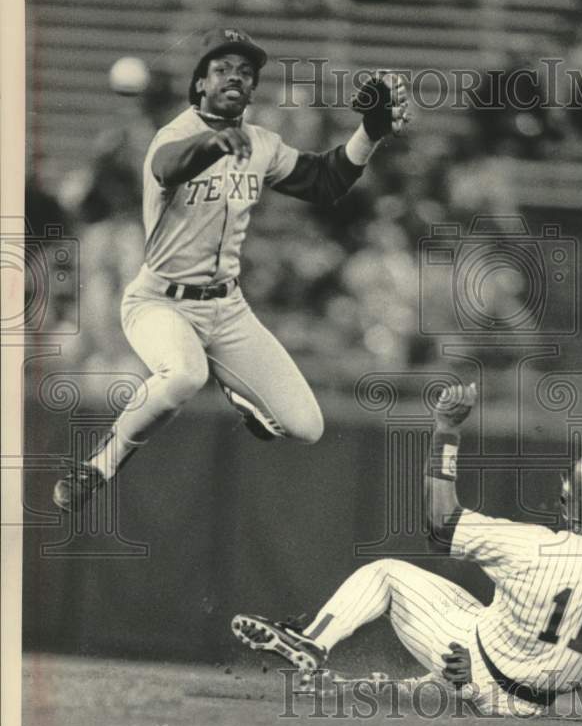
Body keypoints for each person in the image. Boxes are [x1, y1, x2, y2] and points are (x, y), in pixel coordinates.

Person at [232, 383, 582, 726]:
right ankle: (432, 688)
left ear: (570, 499)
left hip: (475, 658)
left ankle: (316, 645)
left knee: (386, 572)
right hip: (529, 704)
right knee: (410, 690)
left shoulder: (532, 545)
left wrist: (447, 430)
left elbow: (439, 524)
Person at [53, 27, 410, 511]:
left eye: (245, 71)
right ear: (199, 83)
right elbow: (166, 166)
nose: (235, 77)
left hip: (227, 307)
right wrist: (216, 143)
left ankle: (242, 398)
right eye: (222, 69)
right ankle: (99, 464)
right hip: (161, 302)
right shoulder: (175, 134)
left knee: (307, 426)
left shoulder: (259, 142)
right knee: (183, 375)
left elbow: (324, 181)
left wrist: (368, 132)